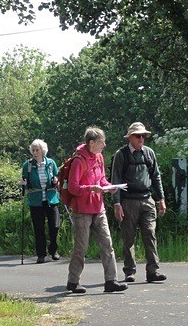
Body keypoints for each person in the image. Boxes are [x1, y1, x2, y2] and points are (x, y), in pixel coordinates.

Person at [65, 127, 127, 294]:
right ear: (91, 143)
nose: (104, 145)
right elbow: (73, 188)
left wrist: (110, 187)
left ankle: (111, 281)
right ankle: (73, 281)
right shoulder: (78, 161)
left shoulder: (99, 157)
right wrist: (91, 188)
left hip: (98, 208)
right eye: (102, 142)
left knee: (107, 244)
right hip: (81, 211)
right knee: (81, 247)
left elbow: (102, 180)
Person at [110, 122, 167, 283]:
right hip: (128, 201)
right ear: (130, 138)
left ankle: (153, 271)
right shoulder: (121, 155)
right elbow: (116, 180)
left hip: (147, 199)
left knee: (150, 234)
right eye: (137, 136)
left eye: (143, 136)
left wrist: (161, 199)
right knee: (128, 237)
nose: (141, 138)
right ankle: (130, 271)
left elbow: (156, 176)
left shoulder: (149, 153)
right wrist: (117, 204)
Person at [20, 140, 60, 263]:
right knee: (39, 228)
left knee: (55, 226)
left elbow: (57, 178)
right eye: (33, 150)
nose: (35, 152)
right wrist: (23, 184)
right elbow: (24, 181)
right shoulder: (27, 165)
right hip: (36, 201)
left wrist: (56, 181)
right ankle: (41, 254)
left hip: (51, 199)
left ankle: (53, 250)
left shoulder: (51, 163)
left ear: (43, 151)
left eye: (37, 150)